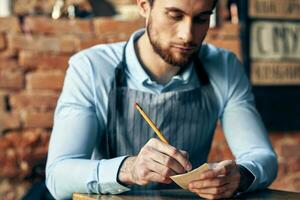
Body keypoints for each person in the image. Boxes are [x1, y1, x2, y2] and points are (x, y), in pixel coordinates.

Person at [45, 0, 278, 199]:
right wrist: (130, 169)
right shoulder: (92, 68)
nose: (187, 35)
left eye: (201, 19)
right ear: (144, 6)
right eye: (175, 16)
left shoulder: (224, 67)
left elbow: (262, 156)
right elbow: (58, 176)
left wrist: (241, 176)